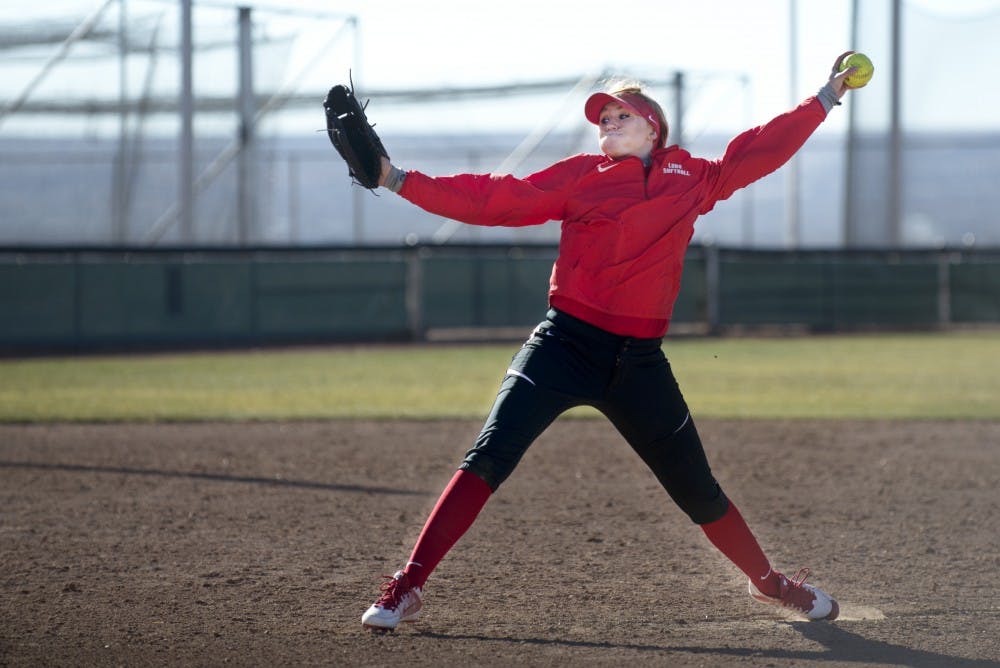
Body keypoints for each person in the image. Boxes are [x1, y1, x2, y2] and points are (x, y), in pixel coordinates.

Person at [360, 52, 862, 631]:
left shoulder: (692, 179)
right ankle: (408, 585)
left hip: (638, 363)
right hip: (564, 345)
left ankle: (770, 584)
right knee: (489, 454)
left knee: (698, 491)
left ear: (654, 128)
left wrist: (825, 98)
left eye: (620, 115)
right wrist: (396, 180)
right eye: (602, 119)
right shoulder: (580, 178)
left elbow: (759, 150)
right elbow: (496, 198)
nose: (606, 124)